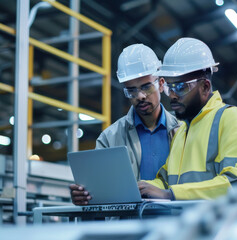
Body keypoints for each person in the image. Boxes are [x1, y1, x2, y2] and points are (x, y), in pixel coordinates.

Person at [138, 38, 237, 200]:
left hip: (221, 224)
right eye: (169, 87)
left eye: (180, 87)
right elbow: (166, 182)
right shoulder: (181, 131)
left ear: (205, 87)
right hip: (187, 223)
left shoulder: (232, 119)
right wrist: (138, 188)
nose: (172, 95)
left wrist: (170, 195)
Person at [70, 44, 180, 205]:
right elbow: (99, 189)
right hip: (128, 224)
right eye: (132, 91)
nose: (140, 96)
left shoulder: (183, 130)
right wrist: (83, 196)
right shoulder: (109, 138)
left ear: (161, 83)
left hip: (175, 223)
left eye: (146, 87)